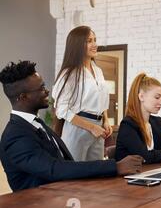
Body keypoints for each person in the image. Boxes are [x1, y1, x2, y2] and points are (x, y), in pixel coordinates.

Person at [0, 61, 143, 192]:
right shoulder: (15, 135)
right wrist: (115, 166)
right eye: (41, 88)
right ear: (23, 97)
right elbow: (54, 169)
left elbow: (64, 164)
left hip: (61, 196)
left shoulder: (36, 124)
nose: (47, 91)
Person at [52, 26, 112, 161]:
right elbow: (62, 110)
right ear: (78, 45)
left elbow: (102, 100)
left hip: (99, 128)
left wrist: (106, 121)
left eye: (95, 40)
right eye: (89, 41)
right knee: (75, 175)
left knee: (96, 174)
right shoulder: (69, 74)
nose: (95, 44)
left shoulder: (98, 71)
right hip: (78, 127)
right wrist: (91, 127)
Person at [115, 73, 161, 164]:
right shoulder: (128, 125)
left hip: (153, 173)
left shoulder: (157, 122)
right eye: (157, 97)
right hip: (129, 177)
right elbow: (145, 156)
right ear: (141, 96)